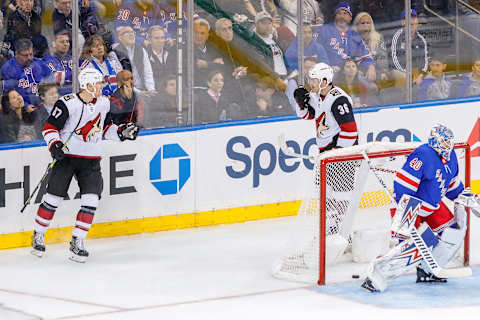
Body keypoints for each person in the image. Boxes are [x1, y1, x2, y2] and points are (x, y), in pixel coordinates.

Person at [31, 68, 139, 262]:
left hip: (91, 160)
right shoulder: (67, 103)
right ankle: (38, 233)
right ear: (88, 85)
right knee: (53, 199)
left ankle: (78, 241)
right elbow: (49, 128)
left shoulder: (104, 103)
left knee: (91, 201)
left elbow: (105, 128)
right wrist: (55, 145)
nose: (102, 87)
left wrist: (122, 133)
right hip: (67, 158)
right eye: (98, 84)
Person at [361, 124, 478, 292]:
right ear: (434, 141)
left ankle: (427, 271)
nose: (448, 146)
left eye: (449, 142)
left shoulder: (451, 157)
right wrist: (407, 217)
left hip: (431, 206)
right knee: (411, 246)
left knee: (453, 232)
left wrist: (469, 198)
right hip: (409, 204)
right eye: (444, 143)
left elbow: (452, 186)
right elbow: (402, 185)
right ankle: (376, 277)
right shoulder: (423, 154)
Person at [292, 62, 358, 152]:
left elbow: (350, 131)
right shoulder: (316, 95)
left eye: (313, 80)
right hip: (327, 151)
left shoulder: (339, 100)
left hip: (341, 153)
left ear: (324, 81)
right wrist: (300, 103)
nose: (310, 83)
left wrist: (338, 153)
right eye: (310, 79)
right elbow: (306, 115)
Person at [314, 2, 376, 82]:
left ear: (350, 18)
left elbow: (365, 56)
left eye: (345, 13)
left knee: (372, 87)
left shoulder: (354, 35)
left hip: (351, 74)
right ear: (335, 16)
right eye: (339, 13)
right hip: (330, 74)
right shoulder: (324, 30)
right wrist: (327, 67)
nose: (342, 16)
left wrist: (371, 66)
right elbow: (313, 51)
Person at [1, 38, 51, 108]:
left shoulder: (40, 64)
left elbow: (51, 83)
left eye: (31, 54)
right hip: (22, 109)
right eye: (25, 55)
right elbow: (9, 96)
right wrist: (26, 106)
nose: (29, 58)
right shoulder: (7, 69)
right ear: (16, 54)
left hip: (44, 105)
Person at [389, 9, 429, 88]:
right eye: (407, 19)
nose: (411, 22)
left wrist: (421, 75)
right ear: (403, 22)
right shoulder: (396, 37)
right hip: (401, 72)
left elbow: (425, 61)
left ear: (417, 21)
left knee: (428, 79)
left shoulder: (421, 39)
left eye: (413, 19)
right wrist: (408, 75)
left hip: (416, 73)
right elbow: (394, 61)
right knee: (400, 75)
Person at [113, 25, 155, 93]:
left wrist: (151, 90)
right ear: (120, 38)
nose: (131, 34)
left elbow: (148, 73)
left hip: (143, 90)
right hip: (125, 91)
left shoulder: (141, 50)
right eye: (127, 32)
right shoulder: (115, 53)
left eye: (132, 32)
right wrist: (138, 92)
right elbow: (120, 78)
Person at [352, 12, 389, 85]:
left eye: (368, 23)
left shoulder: (378, 37)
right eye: (363, 23)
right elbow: (351, 60)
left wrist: (382, 72)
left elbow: (383, 58)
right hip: (359, 73)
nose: (365, 25)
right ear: (357, 25)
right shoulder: (352, 39)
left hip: (378, 71)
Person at [145, 26, 176, 91]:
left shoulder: (172, 54)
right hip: (155, 93)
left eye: (162, 38)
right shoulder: (145, 57)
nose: (160, 41)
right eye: (156, 38)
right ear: (149, 40)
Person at [42, 30, 73, 95]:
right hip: (57, 95)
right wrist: (75, 73)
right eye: (62, 42)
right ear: (54, 44)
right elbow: (56, 78)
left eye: (67, 41)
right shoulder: (47, 60)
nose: (65, 44)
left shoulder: (73, 59)